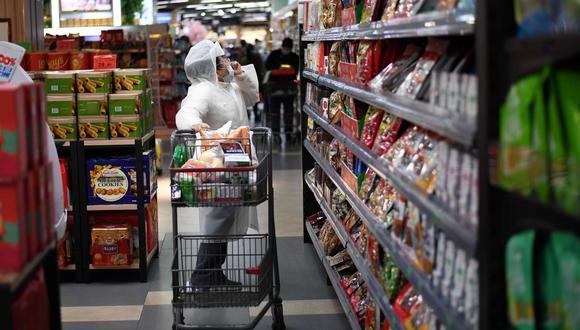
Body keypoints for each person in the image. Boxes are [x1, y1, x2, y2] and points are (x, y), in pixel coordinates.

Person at [175, 40, 260, 288]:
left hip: (236, 160)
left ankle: (212, 273)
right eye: (222, 60)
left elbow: (252, 98)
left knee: (226, 215)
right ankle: (202, 276)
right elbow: (186, 110)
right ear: (213, 68)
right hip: (216, 166)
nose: (227, 62)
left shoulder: (228, 85)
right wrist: (194, 124)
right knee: (218, 218)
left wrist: (242, 74)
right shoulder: (204, 89)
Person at [265, 38, 299, 136]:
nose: (286, 50)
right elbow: (267, 67)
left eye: (288, 49)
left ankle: (288, 132)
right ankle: (276, 133)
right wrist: (277, 69)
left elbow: (297, 70)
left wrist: (292, 69)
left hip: (289, 89)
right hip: (275, 88)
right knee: (275, 112)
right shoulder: (274, 55)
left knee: (289, 111)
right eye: (285, 48)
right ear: (282, 47)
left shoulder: (294, 57)